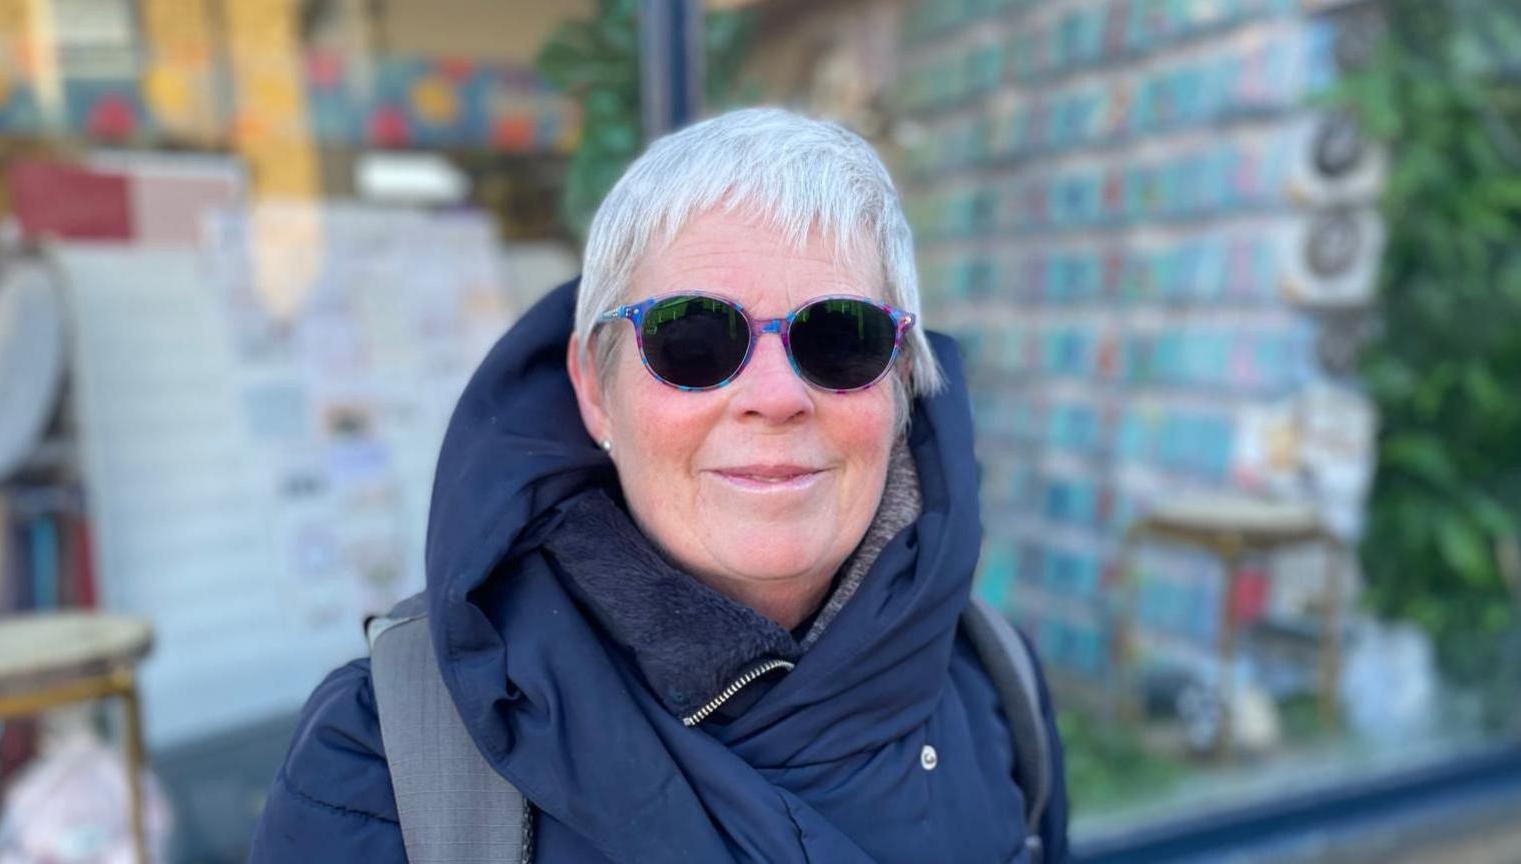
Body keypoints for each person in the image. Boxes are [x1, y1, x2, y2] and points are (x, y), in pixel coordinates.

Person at [248, 107, 1069, 863]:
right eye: (697, 339)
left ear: (902, 388)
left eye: (839, 338)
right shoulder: (388, 759)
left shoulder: (997, 682)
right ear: (596, 387)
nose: (776, 397)